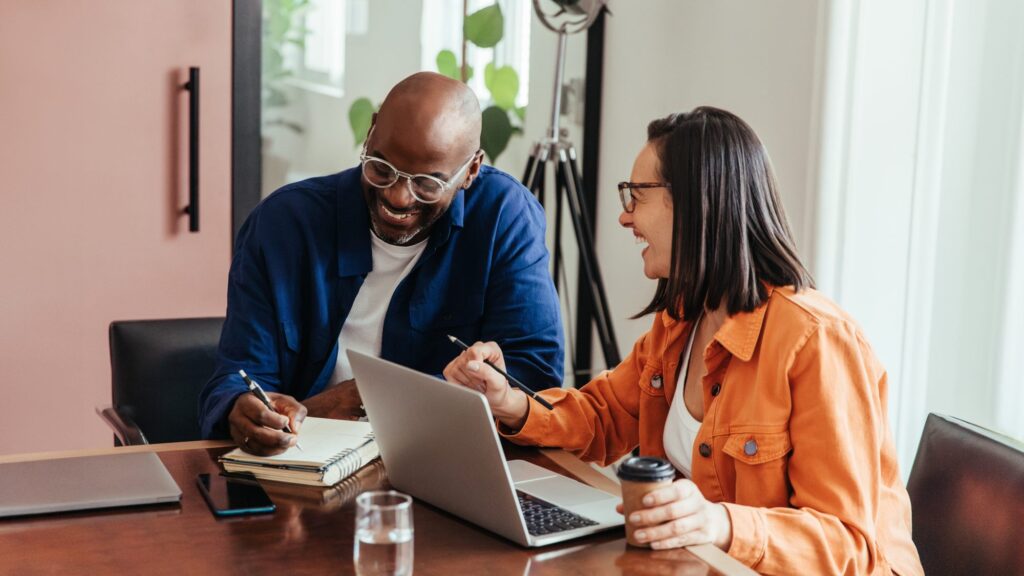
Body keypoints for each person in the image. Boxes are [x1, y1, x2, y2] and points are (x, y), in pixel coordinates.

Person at [444, 107, 923, 575]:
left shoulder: (818, 341)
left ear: (696, 202)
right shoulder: (682, 320)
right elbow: (606, 415)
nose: (624, 218)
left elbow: (848, 546)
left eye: (636, 196)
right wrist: (509, 402)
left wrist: (721, 523)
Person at [199, 72, 563, 455]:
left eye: (427, 183)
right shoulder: (284, 225)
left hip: (444, 463)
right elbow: (238, 374)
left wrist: (369, 399)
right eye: (381, 167)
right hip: (303, 465)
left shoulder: (503, 218)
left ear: (470, 170)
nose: (397, 197)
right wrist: (243, 409)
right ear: (371, 133)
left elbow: (533, 379)